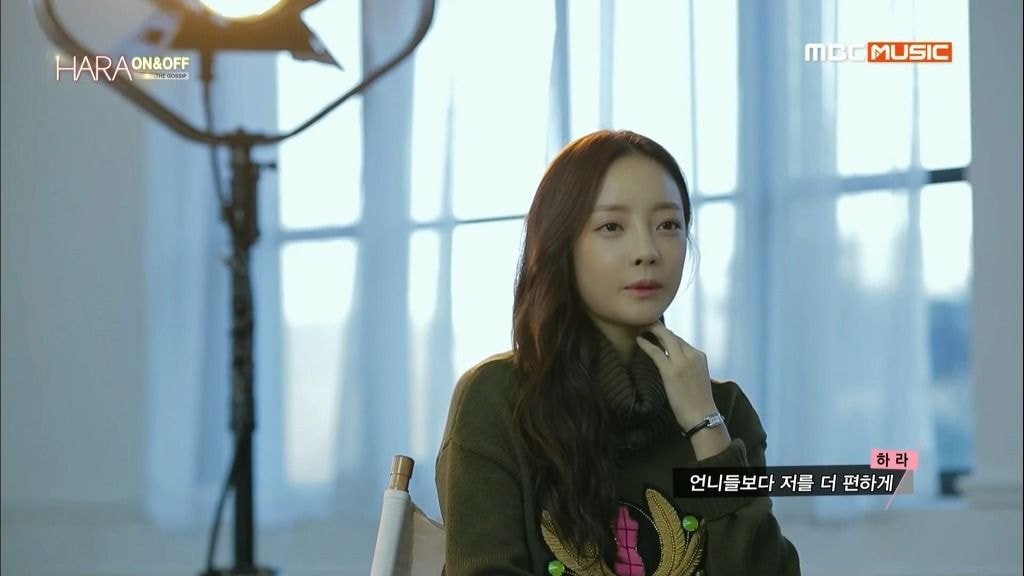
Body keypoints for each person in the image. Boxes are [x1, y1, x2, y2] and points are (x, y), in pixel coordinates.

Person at [435, 130, 800, 575]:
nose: (647, 251)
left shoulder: (723, 410)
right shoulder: (496, 400)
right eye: (611, 227)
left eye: (668, 225)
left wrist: (706, 429)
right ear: (561, 243)